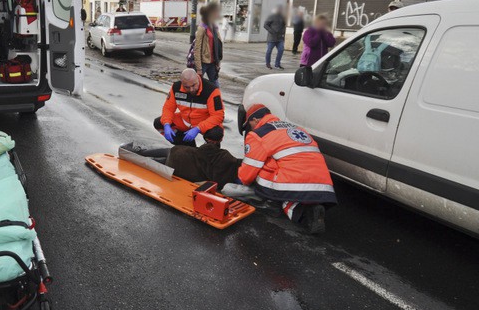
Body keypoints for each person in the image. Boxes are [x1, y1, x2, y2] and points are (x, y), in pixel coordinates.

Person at [236, 104, 336, 234]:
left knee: (264, 169)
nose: (250, 129)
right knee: (280, 166)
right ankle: (311, 208)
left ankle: (291, 207)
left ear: (255, 120)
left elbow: (248, 173)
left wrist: (239, 179)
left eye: (249, 125)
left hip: (296, 181)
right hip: (324, 185)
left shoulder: (258, 134)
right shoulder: (296, 128)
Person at [154, 68, 224, 146]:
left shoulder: (212, 90)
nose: (191, 89)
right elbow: (168, 109)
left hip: (204, 122)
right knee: (159, 123)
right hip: (185, 121)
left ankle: (208, 152)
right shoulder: (176, 88)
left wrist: (198, 128)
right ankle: (186, 146)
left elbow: (218, 116)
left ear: (198, 78)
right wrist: (166, 124)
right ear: (182, 83)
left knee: (216, 134)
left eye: (194, 85)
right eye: (186, 87)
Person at [121, 142, 241, 187]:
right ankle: (130, 158)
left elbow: (204, 149)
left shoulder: (226, 156)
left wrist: (211, 144)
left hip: (180, 153)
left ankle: (128, 150)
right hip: (179, 169)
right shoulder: (224, 181)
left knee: (146, 152)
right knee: (150, 162)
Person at [193, 1, 223, 86]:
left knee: (215, 85)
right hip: (203, 62)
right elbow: (197, 48)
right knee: (198, 84)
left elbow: (219, 46)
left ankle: (216, 99)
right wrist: (199, 68)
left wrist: (218, 62)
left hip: (213, 62)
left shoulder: (215, 28)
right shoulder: (202, 28)